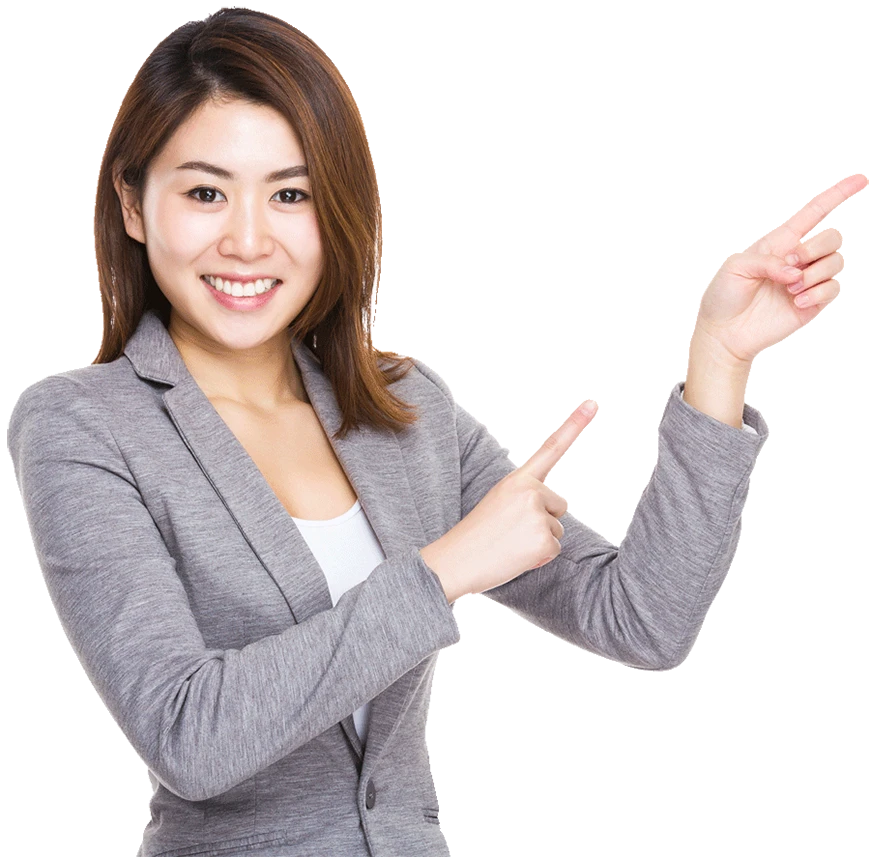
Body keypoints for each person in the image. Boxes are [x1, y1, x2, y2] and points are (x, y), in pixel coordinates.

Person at [6, 8, 866, 857]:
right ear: (133, 204)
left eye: (291, 194)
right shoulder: (83, 427)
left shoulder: (401, 410)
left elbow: (643, 619)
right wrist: (441, 572)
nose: (248, 239)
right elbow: (188, 733)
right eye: (205, 193)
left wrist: (719, 356)